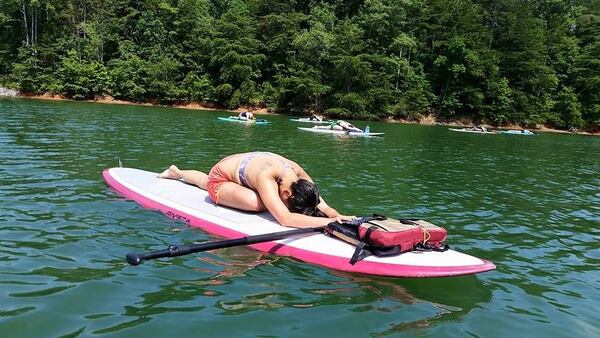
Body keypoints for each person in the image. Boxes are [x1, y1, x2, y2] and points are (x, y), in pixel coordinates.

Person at [158, 152, 354, 228]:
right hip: (220, 179)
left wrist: (337, 215)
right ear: (286, 194)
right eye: (289, 203)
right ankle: (181, 174)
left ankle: (178, 173)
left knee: (203, 180)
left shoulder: (298, 175)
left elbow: (319, 201)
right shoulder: (267, 175)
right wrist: (327, 223)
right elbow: (285, 219)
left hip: (233, 170)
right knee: (258, 203)